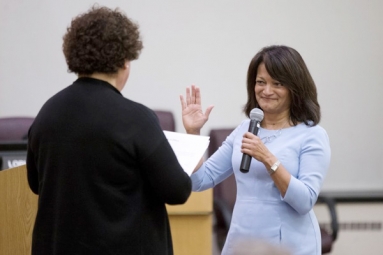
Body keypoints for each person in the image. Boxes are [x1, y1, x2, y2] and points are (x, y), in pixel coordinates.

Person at [27, 6, 191, 255]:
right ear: (124, 61)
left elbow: (35, 183)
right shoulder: (136, 118)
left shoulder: (47, 113)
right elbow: (178, 190)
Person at [180, 45, 331, 255]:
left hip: (288, 245)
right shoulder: (244, 129)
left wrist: (268, 159)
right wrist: (193, 134)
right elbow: (199, 181)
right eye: (261, 82)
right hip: (242, 242)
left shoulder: (312, 135)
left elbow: (304, 201)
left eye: (277, 84)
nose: (266, 91)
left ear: (295, 88)